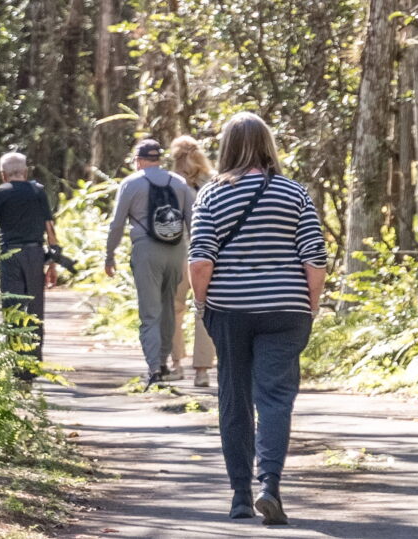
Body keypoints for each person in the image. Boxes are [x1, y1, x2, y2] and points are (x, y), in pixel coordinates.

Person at [190, 112, 327, 527]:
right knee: (275, 398)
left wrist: (202, 305)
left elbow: (200, 260)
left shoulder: (212, 196)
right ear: (269, 146)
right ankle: (270, 484)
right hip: (286, 308)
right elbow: (315, 259)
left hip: (229, 309)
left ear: (227, 147)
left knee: (233, 398)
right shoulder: (294, 194)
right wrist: (312, 303)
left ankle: (239, 496)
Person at [105, 137, 196, 383]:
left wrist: (109, 255)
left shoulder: (131, 183)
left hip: (146, 250)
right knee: (168, 306)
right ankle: (164, 361)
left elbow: (117, 224)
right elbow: (192, 221)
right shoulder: (179, 182)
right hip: (177, 251)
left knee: (150, 310)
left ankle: (154, 367)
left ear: (140, 160)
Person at [0, 151, 58, 377]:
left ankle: (16, 363)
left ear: (3, 174)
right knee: (35, 308)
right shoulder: (37, 192)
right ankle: (34, 361)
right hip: (35, 254)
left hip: (10, 255)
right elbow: (50, 229)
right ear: (25, 171)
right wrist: (53, 263)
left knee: (13, 308)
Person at [169, 135, 218, 388]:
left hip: (176, 251)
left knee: (175, 308)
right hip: (206, 253)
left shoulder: (169, 185)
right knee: (203, 309)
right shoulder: (215, 182)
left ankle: (176, 364)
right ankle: (202, 371)